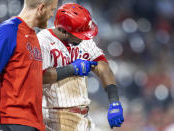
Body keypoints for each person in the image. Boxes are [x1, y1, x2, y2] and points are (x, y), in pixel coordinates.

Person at [37, 3, 124, 131]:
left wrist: (114, 101)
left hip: (83, 115)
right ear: (63, 30)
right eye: (80, 35)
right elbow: (41, 76)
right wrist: (72, 69)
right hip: (54, 117)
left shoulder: (83, 41)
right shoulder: (42, 40)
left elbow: (103, 66)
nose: (85, 38)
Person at [0, 0, 58, 130]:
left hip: (33, 123)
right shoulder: (8, 30)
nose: (52, 14)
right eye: (52, 10)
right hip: (12, 121)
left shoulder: (33, 36)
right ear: (41, 8)